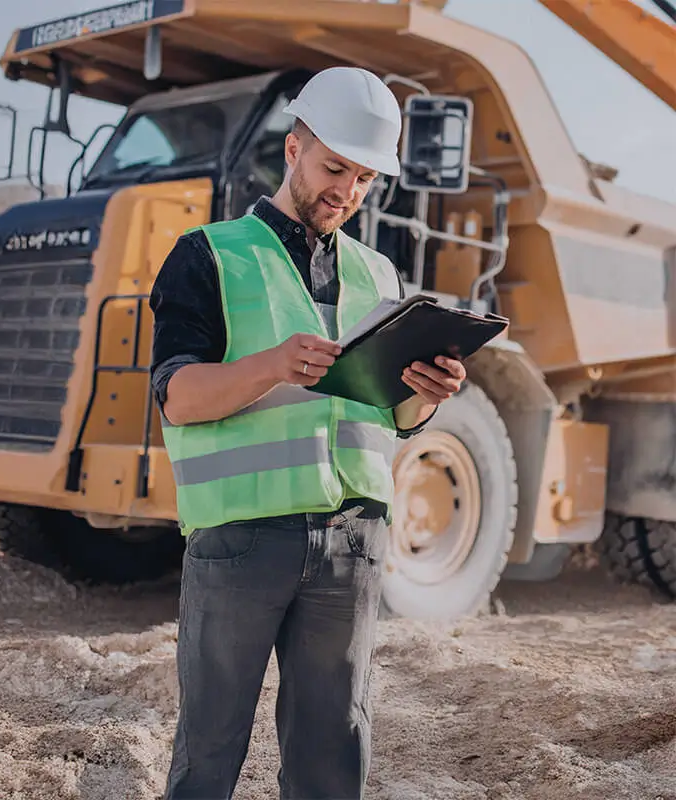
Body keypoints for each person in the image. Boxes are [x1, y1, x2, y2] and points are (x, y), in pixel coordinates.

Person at [149, 66, 466, 800]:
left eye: (362, 179)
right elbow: (176, 397)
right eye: (333, 169)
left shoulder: (379, 274)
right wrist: (269, 365)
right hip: (242, 540)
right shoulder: (209, 255)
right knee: (209, 749)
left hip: (352, 541)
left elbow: (389, 417)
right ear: (294, 149)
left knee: (334, 751)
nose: (346, 192)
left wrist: (427, 398)